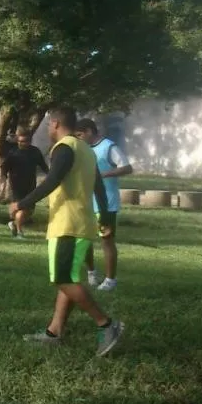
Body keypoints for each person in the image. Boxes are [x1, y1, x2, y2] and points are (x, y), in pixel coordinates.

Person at [9, 106, 124, 357]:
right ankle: (54, 332)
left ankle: (106, 324)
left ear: (56, 123)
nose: (49, 129)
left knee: (63, 279)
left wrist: (21, 203)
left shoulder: (64, 147)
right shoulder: (86, 149)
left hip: (67, 224)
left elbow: (52, 181)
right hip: (82, 223)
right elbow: (99, 188)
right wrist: (103, 216)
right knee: (68, 277)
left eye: (49, 125)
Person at [75, 118, 133, 292]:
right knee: (84, 239)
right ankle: (92, 273)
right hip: (85, 201)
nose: (78, 138)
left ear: (89, 131)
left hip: (106, 203)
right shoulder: (82, 149)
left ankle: (110, 279)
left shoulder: (108, 146)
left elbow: (127, 168)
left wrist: (104, 174)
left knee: (106, 240)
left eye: (80, 135)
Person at [2, 128, 49, 239]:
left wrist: (50, 175)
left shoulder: (35, 151)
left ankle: (13, 224)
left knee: (29, 211)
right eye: (20, 141)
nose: (22, 143)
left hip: (31, 185)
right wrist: (3, 179)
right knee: (22, 208)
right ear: (17, 141)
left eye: (25, 141)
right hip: (17, 186)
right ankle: (19, 232)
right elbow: (4, 167)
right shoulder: (13, 153)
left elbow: (43, 165)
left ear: (30, 141)